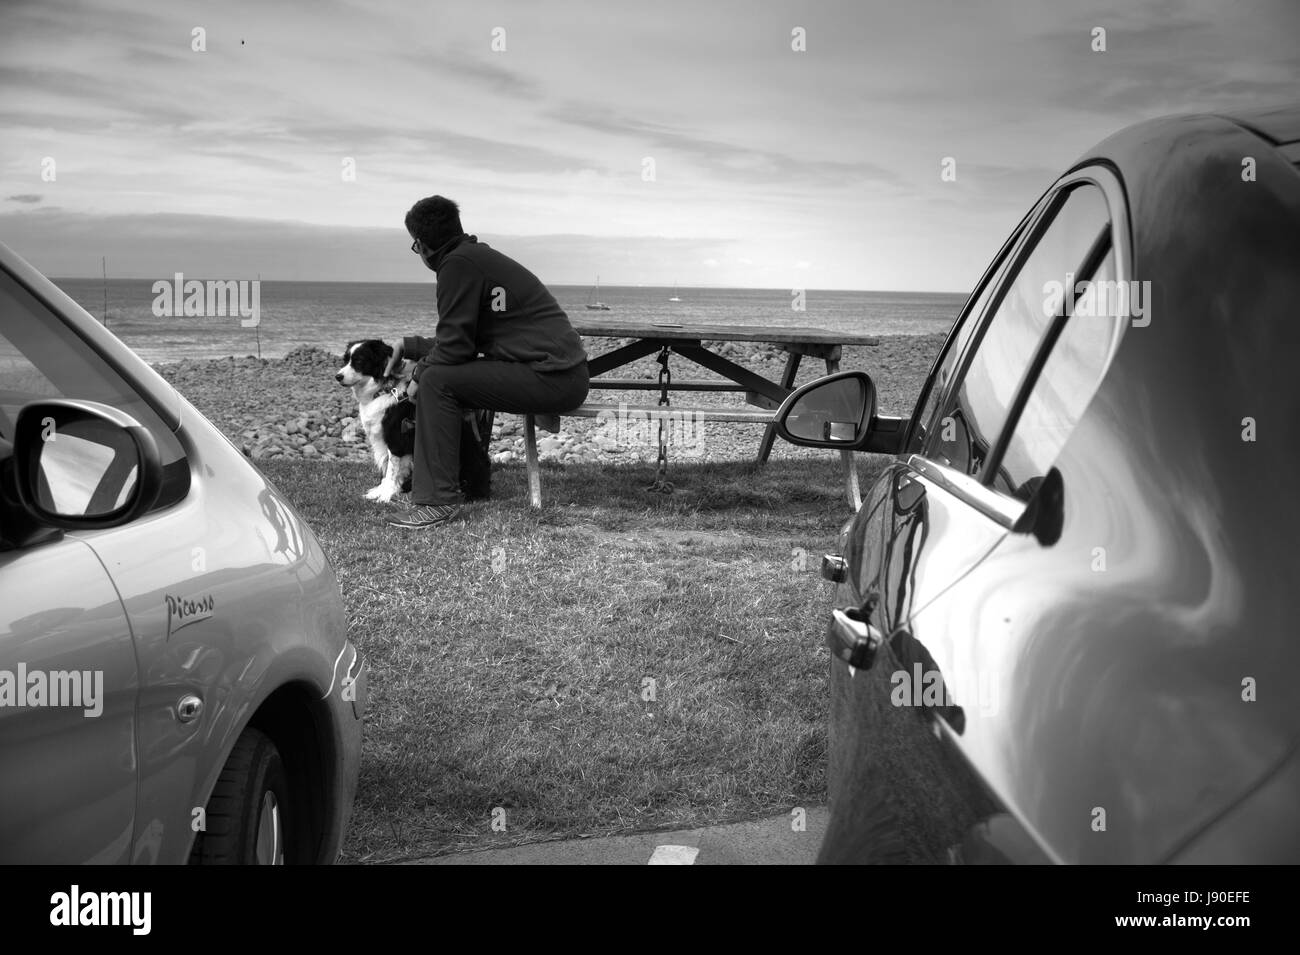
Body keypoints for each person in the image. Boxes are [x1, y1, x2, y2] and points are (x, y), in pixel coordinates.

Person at [386, 195, 589, 529]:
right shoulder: (473, 258)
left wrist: (419, 374)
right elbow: (463, 339)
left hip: (553, 376)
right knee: (437, 376)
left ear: (421, 245)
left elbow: (454, 350)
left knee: (437, 381)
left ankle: (436, 501)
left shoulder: (457, 266)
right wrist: (410, 347)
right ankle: (450, 486)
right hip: (559, 373)